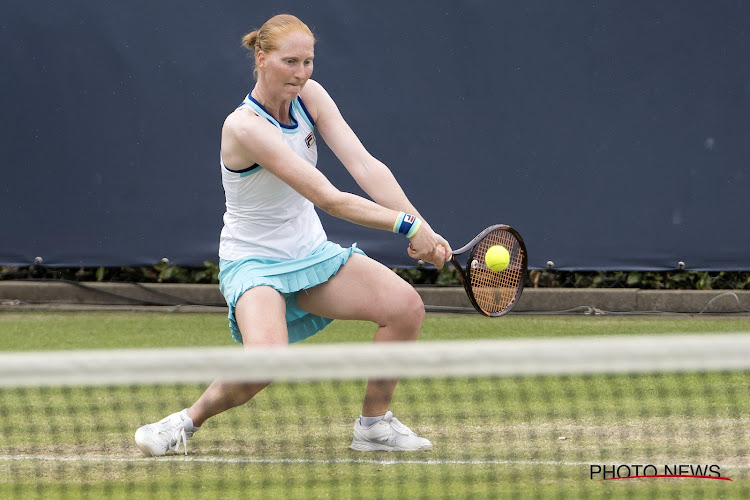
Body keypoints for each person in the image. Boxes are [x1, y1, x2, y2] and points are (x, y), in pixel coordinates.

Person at [135, 13, 451, 456]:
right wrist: (405, 225)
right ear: (261, 59)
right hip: (254, 262)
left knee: (405, 308)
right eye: (290, 62)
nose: (301, 73)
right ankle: (183, 421)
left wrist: (425, 228)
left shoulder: (311, 96)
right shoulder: (243, 127)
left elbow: (365, 166)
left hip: (309, 252)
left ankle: (374, 426)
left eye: (308, 62)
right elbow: (328, 197)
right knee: (267, 360)